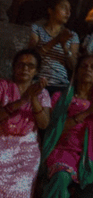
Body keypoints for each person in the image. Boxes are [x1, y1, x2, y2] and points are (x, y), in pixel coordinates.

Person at [41, 54, 93, 197]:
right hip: (63, 149)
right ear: (76, 71)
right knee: (61, 177)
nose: (88, 70)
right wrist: (88, 112)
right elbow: (55, 130)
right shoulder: (60, 98)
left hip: (92, 154)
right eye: (84, 66)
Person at [0, 48, 50, 198]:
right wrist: (22, 100)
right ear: (14, 67)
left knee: (22, 188)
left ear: (36, 71)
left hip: (27, 148)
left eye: (30, 66)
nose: (25, 68)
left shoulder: (42, 93)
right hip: (2, 141)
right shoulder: (2, 87)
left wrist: (33, 98)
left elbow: (43, 124)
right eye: (21, 64)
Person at [29, 0, 79, 93]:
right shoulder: (37, 29)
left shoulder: (72, 35)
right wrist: (55, 41)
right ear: (50, 10)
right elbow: (31, 56)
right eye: (64, 8)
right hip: (38, 81)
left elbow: (74, 66)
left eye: (70, 10)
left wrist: (65, 46)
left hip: (60, 84)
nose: (68, 13)